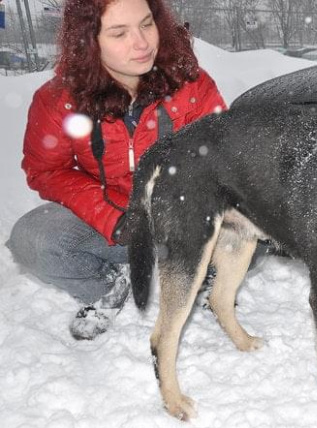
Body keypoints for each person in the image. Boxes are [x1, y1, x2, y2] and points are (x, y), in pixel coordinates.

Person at [6, 0, 226, 341]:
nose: (142, 43)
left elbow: (220, 156)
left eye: (146, 24)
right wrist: (112, 217)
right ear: (89, 41)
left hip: (185, 222)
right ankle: (109, 286)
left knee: (256, 229)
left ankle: (201, 273)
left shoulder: (190, 85)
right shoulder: (58, 100)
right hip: (115, 222)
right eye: (119, 33)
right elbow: (46, 170)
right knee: (32, 239)